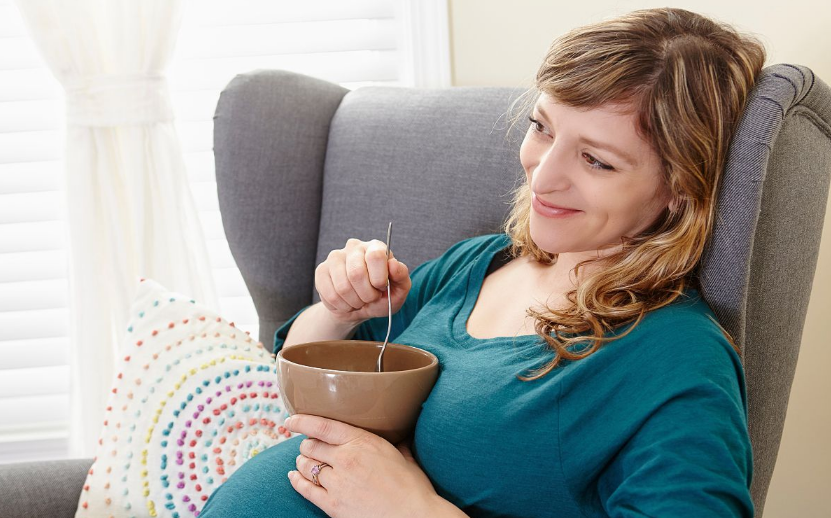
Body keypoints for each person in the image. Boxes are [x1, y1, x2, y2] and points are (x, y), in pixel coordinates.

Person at [200, 7, 766, 518]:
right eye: (542, 127)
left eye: (596, 160)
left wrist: (410, 511)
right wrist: (339, 310)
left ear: (679, 191)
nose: (542, 175)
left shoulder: (675, 357)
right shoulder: (477, 265)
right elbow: (296, 366)